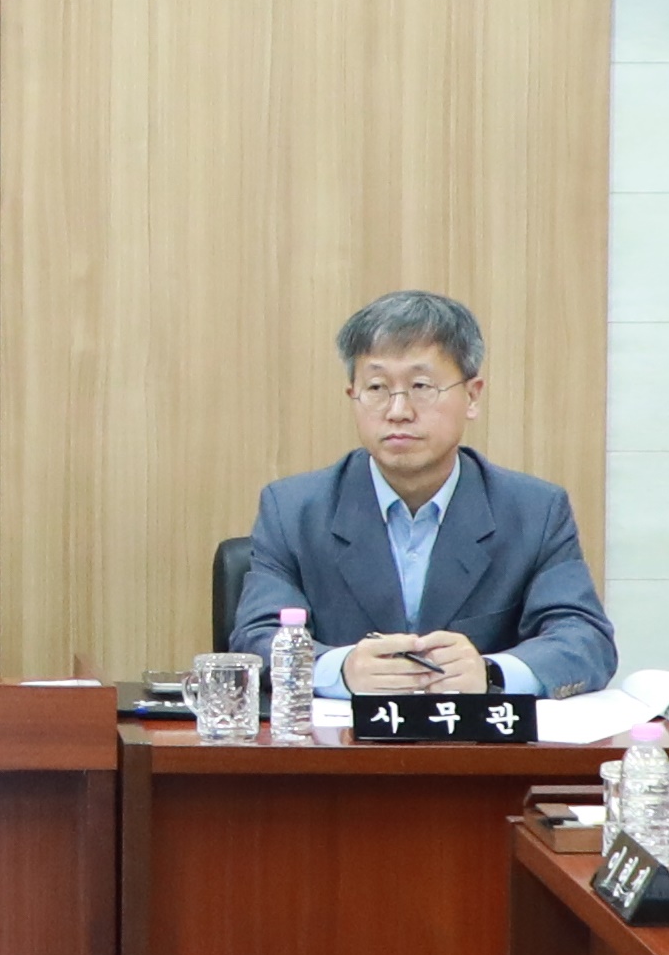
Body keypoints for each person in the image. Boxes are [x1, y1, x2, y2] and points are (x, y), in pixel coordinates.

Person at [222, 291, 616, 699]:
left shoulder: (535, 511)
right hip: (343, 737)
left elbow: (584, 638)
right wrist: (340, 670)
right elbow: (257, 637)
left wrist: (491, 673)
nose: (398, 411)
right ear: (353, 396)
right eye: (377, 387)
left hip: (474, 738)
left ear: (472, 396)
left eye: (421, 386)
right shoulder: (292, 510)